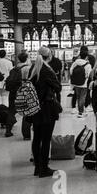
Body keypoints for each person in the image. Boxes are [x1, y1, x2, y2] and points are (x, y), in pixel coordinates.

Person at [27, 47, 62, 178]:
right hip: (46, 108)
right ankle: (44, 168)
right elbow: (57, 87)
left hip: (35, 108)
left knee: (37, 138)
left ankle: (37, 167)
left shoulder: (33, 69)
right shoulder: (47, 70)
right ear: (50, 56)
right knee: (46, 139)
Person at [7, 51, 31, 139]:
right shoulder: (28, 68)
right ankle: (26, 134)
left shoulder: (14, 68)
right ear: (27, 58)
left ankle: (8, 130)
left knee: (11, 111)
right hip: (23, 91)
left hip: (13, 91)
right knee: (26, 111)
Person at [70, 46, 92, 118]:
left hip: (76, 83)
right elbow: (88, 74)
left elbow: (71, 71)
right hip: (84, 84)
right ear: (86, 56)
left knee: (78, 97)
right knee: (82, 98)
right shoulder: (88, 64)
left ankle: (80, 111)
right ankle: (80, 112)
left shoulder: (75, 62)